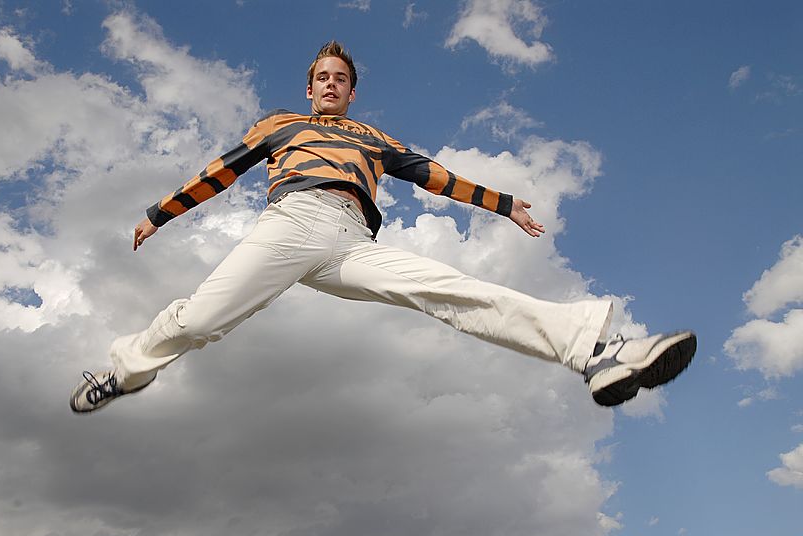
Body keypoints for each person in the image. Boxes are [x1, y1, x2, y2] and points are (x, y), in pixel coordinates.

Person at [70, 41, 695, 414]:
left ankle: (595, 351)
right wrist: (158, 215)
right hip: (292, 221)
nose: (330, 86)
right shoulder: (278, 125)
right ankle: (125, 370)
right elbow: (221, 172)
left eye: (341, 79)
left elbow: (433, 175)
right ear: (310, 87)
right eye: (322, 77)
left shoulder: (373, 139)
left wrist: (505, 204)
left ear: (352, 90)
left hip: (351, 239)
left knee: (445, 288)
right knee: (203, 322)